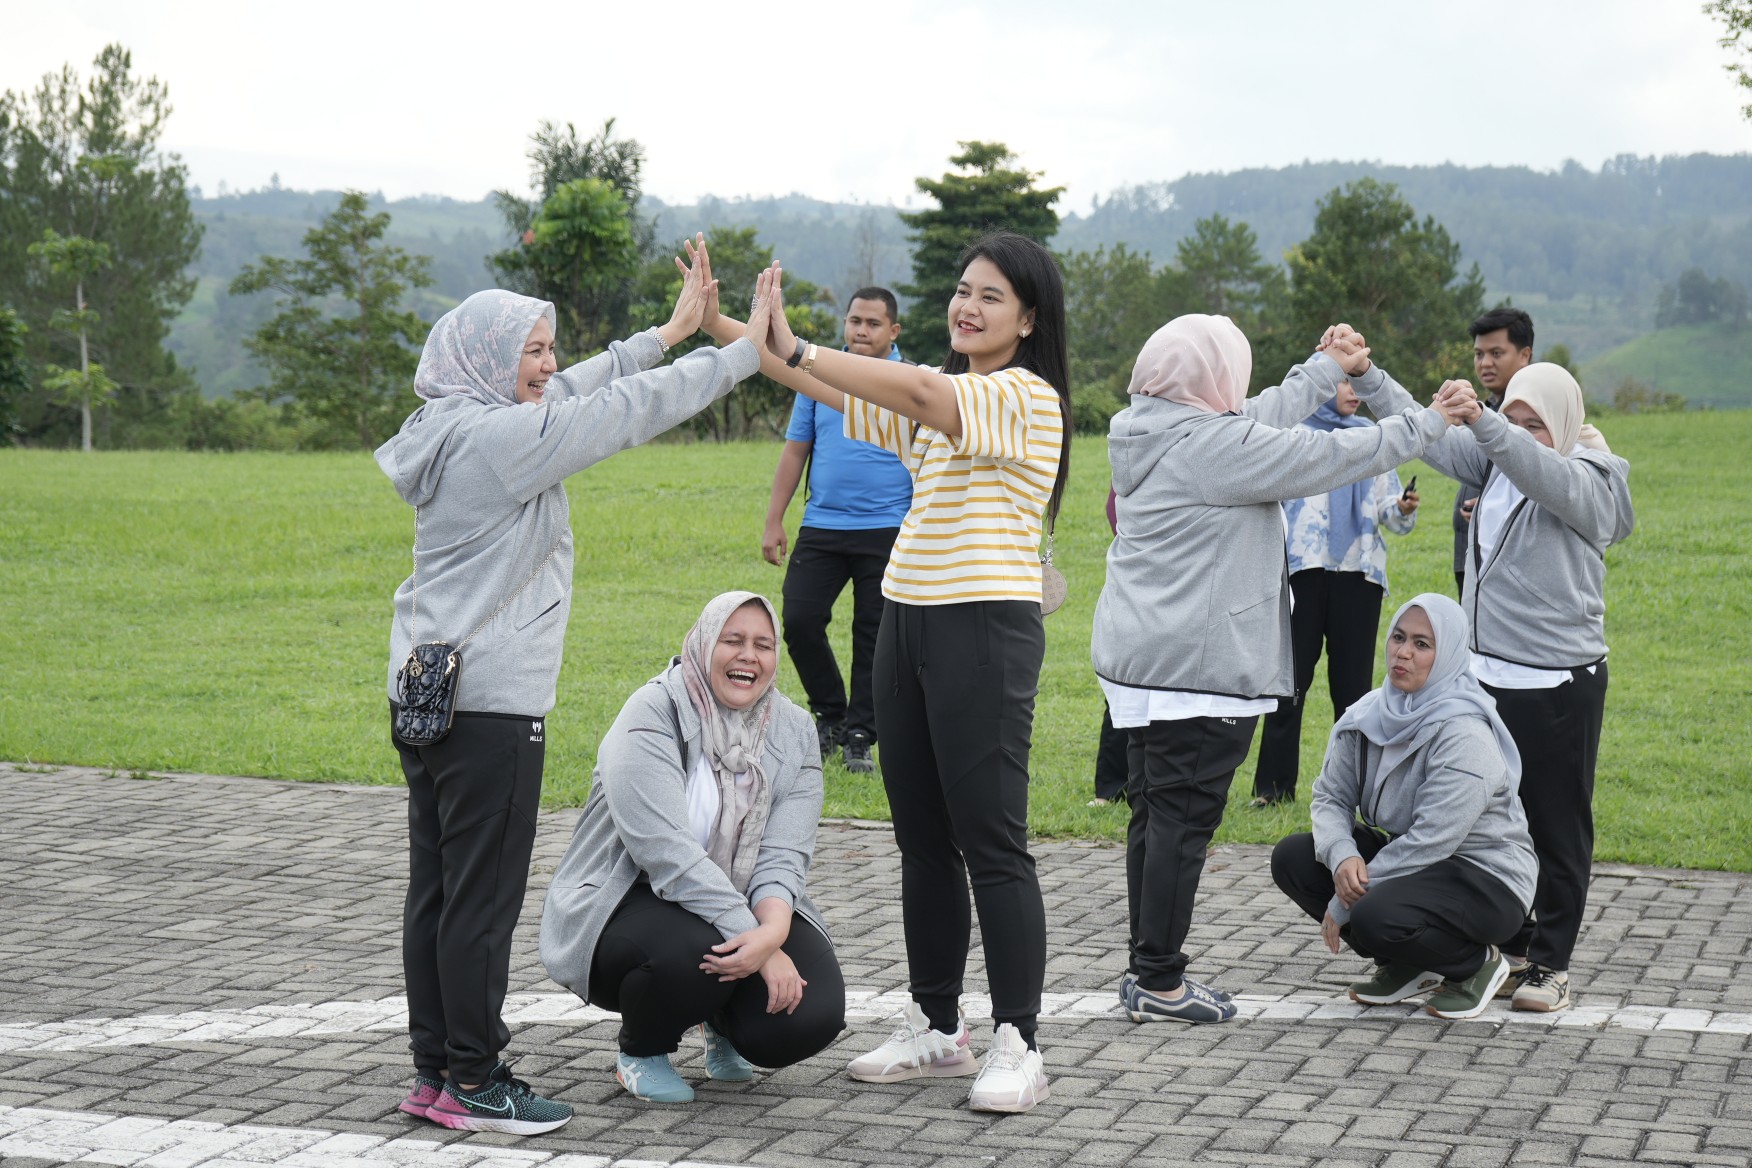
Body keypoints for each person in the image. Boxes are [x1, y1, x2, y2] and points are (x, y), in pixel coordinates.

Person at [378, 243, 771, 1134]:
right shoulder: (503, 440)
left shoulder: (450, 423)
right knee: (477, 904)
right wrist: (746, 353)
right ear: (487, 359)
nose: (549, 366)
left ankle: (437, 1070)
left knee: (437, 895)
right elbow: (625, 412)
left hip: (426, 695)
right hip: (490, 711)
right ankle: (476, 1078)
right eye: (532, 350)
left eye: (550, 348)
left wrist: (666, 333)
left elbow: (583, 389)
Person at [698, 232, 1068, 1113]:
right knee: (923, 839)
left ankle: (1019, 1039)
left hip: (985, 629)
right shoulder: (946, 404)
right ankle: (938, 1026)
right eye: (962, 290)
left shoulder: (1023, 398)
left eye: (990, 296)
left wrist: (794, 341)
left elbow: (913, 385)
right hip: (908, 624)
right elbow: (821, 386)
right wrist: (731, 326)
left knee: (992, 841)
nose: (967, 306)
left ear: (1028, 318)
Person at [1089, 314, 1475, 1026]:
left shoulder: (1143, 425)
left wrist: (1326, 365)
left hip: (1142, 662)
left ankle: (1148, 964)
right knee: (1181, 823)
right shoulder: (1215, 445)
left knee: (1153, 814)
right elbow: (1318, 457)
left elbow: (1255, 416)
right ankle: (1160, 979)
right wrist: (1426, 422)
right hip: (1195, 667)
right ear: (1209, 378)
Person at [1357, 348, 1633, 1014]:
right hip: (1483, 683)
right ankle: (1486, 949)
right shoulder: (1492, 459)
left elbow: (1546, 476)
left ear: (1563, 424)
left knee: (1555, 825)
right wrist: (1368, 375)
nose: (1519, 432)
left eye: (1534, 421)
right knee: (1475, 815)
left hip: (1557, 687)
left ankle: (1550, 962)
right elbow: (1429, 427)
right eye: (1512, 417)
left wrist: (1489, 424)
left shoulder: (1593, 475)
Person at [539, 592, 846, 1103]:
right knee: (692, 953)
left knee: (810, 1014)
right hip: (628, 896)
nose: (749, 656)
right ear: (705, 644)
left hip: (736, 898)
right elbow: (666, 854)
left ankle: (721, 1025)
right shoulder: (651, 713)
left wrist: (773, 931)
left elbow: (784, 854)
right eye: (733, 640)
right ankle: (643, 1050)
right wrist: (761, 947)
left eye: (763, 645)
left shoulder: (792, 730)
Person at [1270, 594, 1538, 1020]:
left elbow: (1432, 841)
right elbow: (1330, 797)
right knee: (1294, 858)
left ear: (1447, 655)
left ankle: (1477, 965)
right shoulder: (1367, 715)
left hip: (1487, 878)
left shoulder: (1465, 735)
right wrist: (1342, 857)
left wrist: (1344, 901)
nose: (1403, 652)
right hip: (1422, 867)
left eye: (1422, 644)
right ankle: (1408, 964)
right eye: (1398, 637)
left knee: (1376, 912)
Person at [761, 287, 913, 774]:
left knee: (874, 636)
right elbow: (794, 451)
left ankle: (861, 735)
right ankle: (830, 713)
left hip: (888, 529)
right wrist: (773, 519)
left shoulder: (911, 381)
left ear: (894, 331)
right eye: (854, 321)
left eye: (872, 323)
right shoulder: (816, 374)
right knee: (800, 622)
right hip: (822, 526)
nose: (861, 331)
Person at [1249, 379, 1421, 807]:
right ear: (1323, 386)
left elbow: (1389, 514)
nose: (1354, 391)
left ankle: (1356, 791)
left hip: (1357, 575)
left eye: (1357, 382)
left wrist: (1400, 508)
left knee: (1355, 692)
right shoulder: (1293, 436)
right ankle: (1272, 790)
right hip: (1303, 573)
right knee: (1290, 684)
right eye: (1344, 381)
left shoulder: (1371, 439)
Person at [1452, 308, 1534, 593]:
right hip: (1469, 555)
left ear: (1524, 355)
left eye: (1496, 353)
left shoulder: (1539, 418)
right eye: (1479, 354)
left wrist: (1495, 506)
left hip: (1509, 564)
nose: (1485, 363)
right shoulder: (1483, 410)